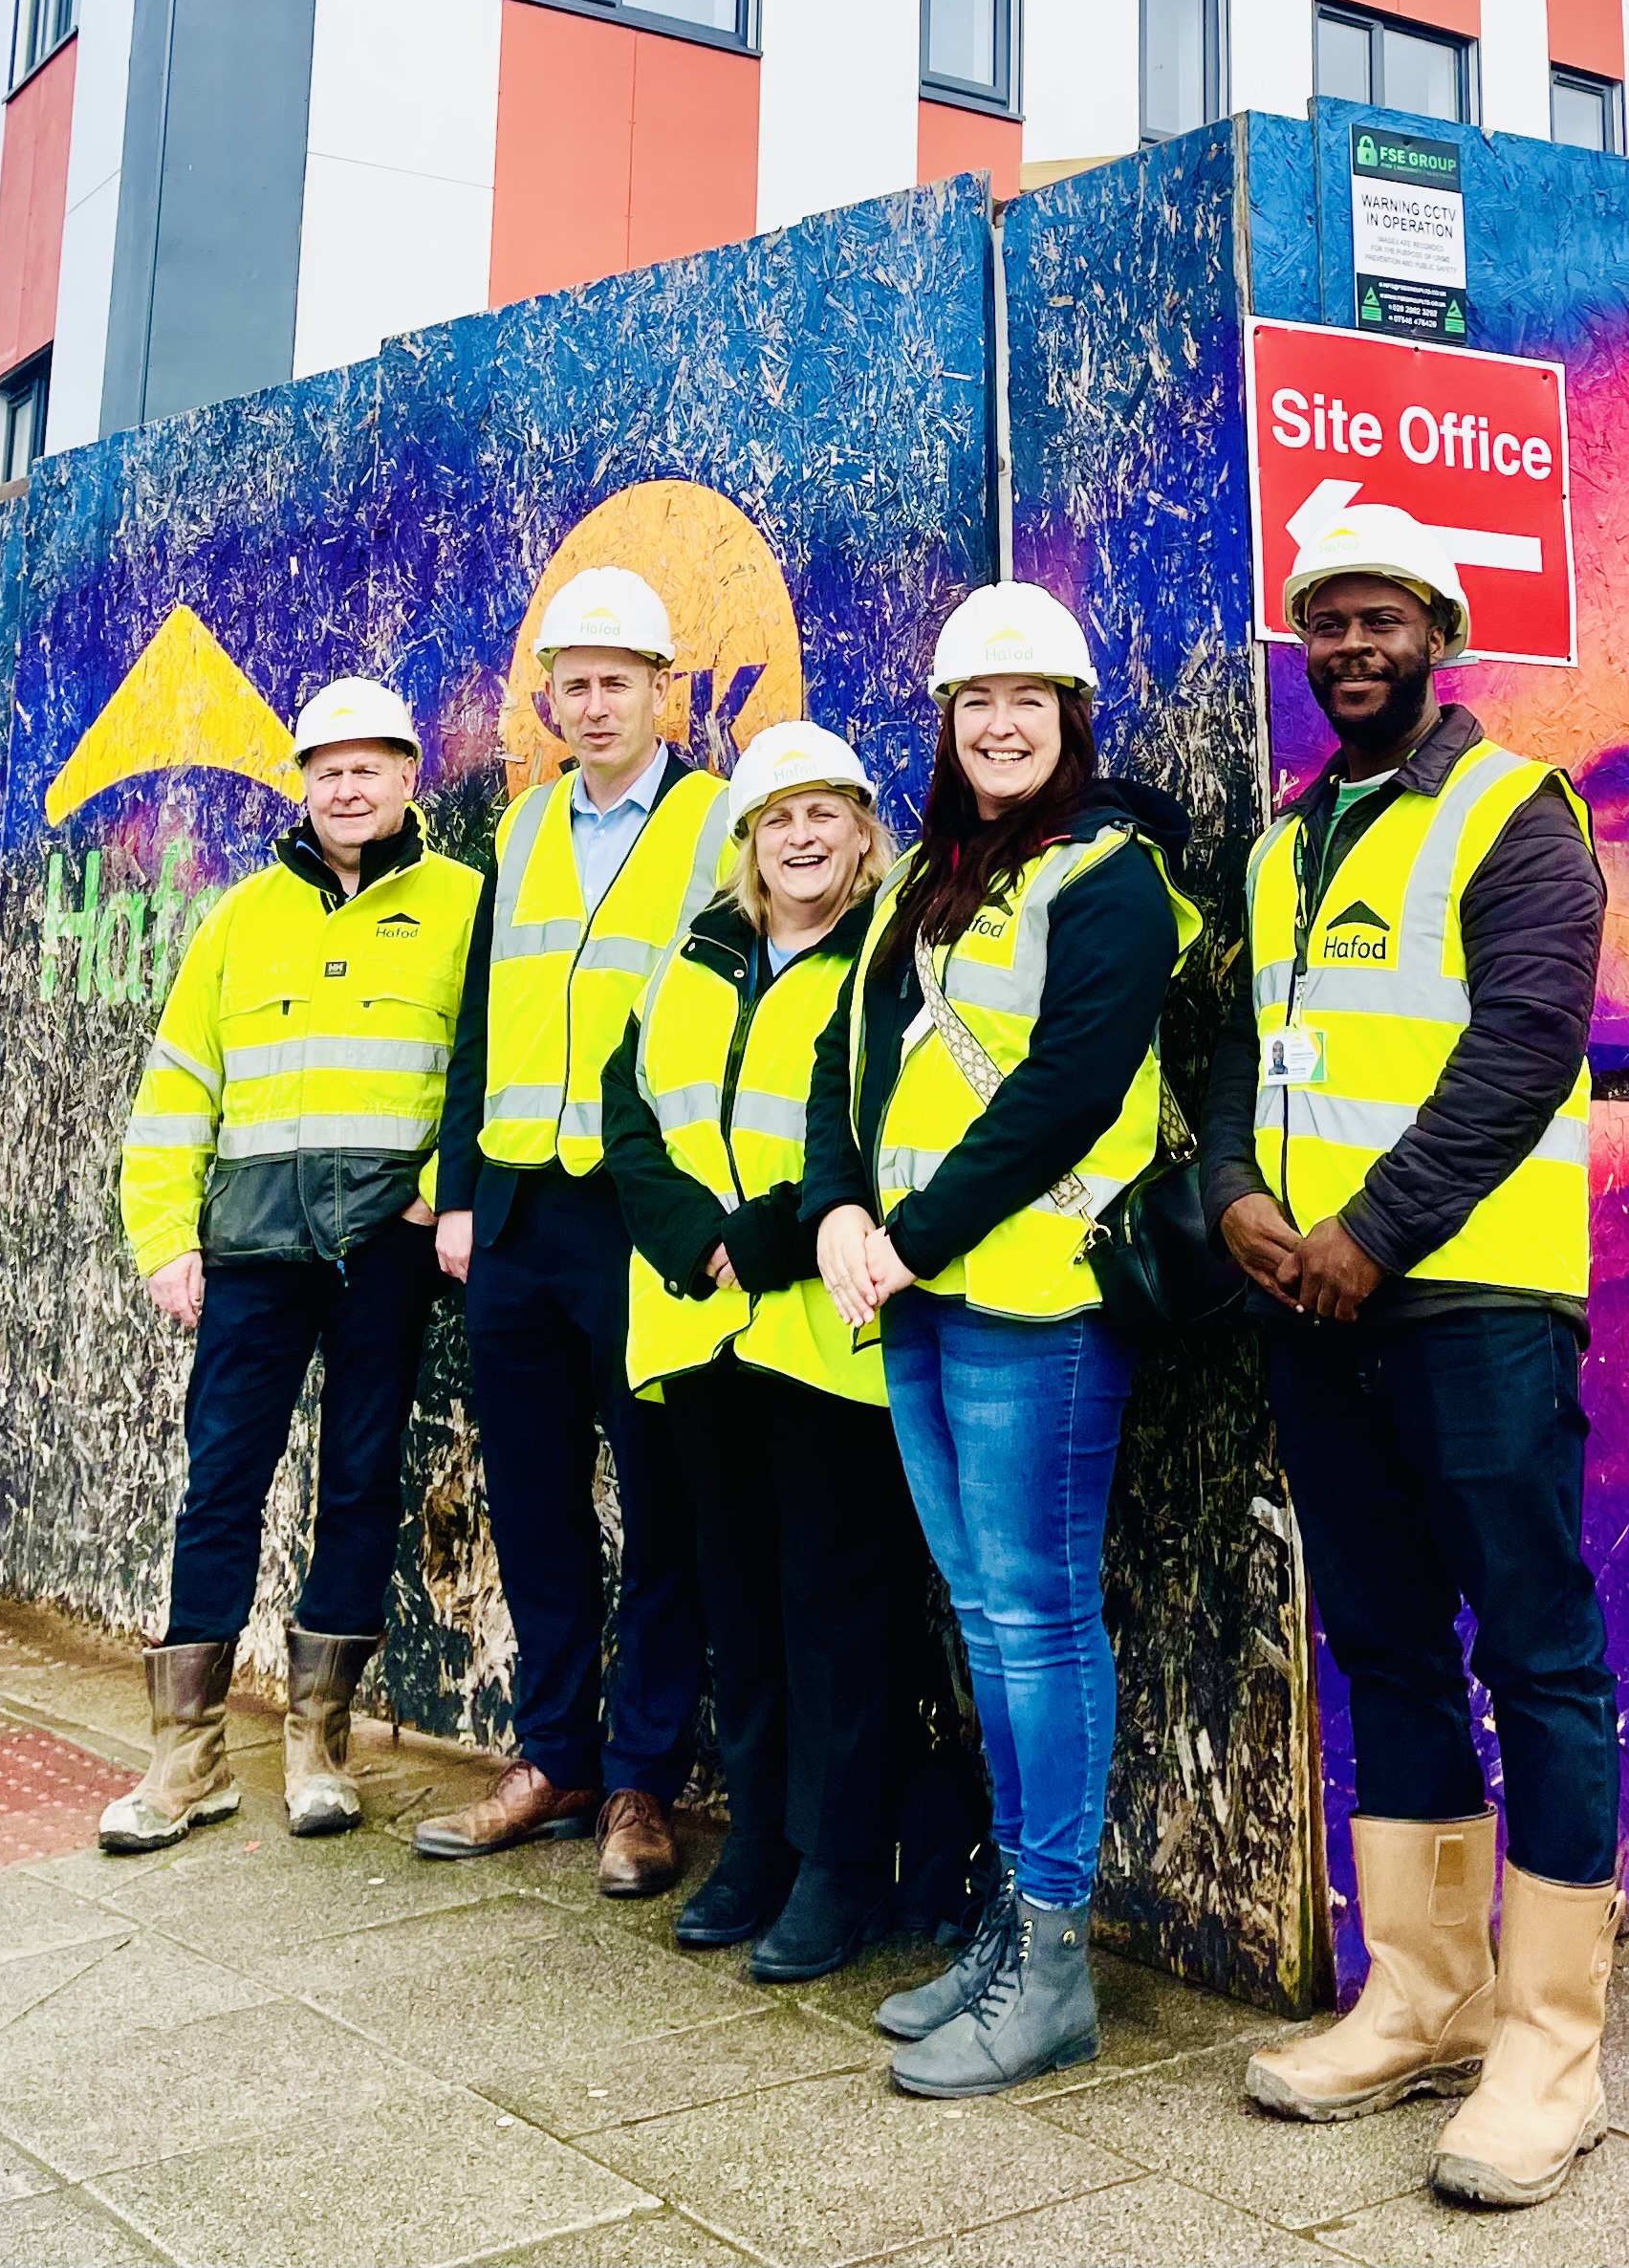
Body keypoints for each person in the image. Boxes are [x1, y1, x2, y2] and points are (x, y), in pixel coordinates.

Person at [1201, 505, 1616, 2211]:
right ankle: (1426, 1992)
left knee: (1533, 1644)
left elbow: (1524, 1040)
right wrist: (1232, 1191)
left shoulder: (1515, 809)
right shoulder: (1285, 840)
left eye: (1380, 618)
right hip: (1314, 1301)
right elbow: (1237, 1039)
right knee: (1377, 1636)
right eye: (1326, 623)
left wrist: (1369, 1229)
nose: (1351, 645)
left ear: (1436, 632)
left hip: (1472, 1293)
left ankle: (1550, 2041)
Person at [806, 580, 1201, 2099]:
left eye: (1029, 701)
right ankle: (1005, 1927)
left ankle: (1053, 1964)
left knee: (1039, 1617)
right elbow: (859, 1064)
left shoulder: (1110, 874)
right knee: (983, 1615)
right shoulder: (925, 876)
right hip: (911, 1291)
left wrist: (908, 1236)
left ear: (1071, 719)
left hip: (1033, 1296)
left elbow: (1069, 1092)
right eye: (976, 704)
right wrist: (844, 1209)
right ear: (948, 726)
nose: (1001, 724)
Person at [105, 676, 480, 1853]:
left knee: (360, 1480)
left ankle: (320, 1740)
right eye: (328, 768)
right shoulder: (238, 917)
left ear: (410, 777)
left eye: (371, 765)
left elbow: (488, 1059)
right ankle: (189, 1756)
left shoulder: (467, 905)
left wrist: (441, 1184)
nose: (348, 785)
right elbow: (178, 1089)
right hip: (253, 1251)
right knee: (219, 1482)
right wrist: (164, 1235)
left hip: (384, 1248)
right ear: (302, 785)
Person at [415, 567, 735, 1898]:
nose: (594, 703)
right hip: (520, 1209)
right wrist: (460, 1193)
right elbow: (483, 1011)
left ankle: (644, 1784)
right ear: (546, 698)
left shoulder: (720, 823)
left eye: (620, 680)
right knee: (536, 1497)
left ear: (667, 691)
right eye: (574, 683)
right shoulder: (526, 824)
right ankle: (555, 1755)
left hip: (641, 1209)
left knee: (662, 1502)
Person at [600, 719, 930, 1981]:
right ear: (746, 842)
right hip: (702, 1332)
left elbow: (891, 1131)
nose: (801, 836)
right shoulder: (699, 952)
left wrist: (763, 1245)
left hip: (825, 1333)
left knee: (839, 1612)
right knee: (739, 1603)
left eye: (825, 814)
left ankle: (839, 1860)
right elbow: (630, 1115)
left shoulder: (890, 958)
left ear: (862, 831)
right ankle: (759, 1845)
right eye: (776, 818)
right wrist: (694, 1241)